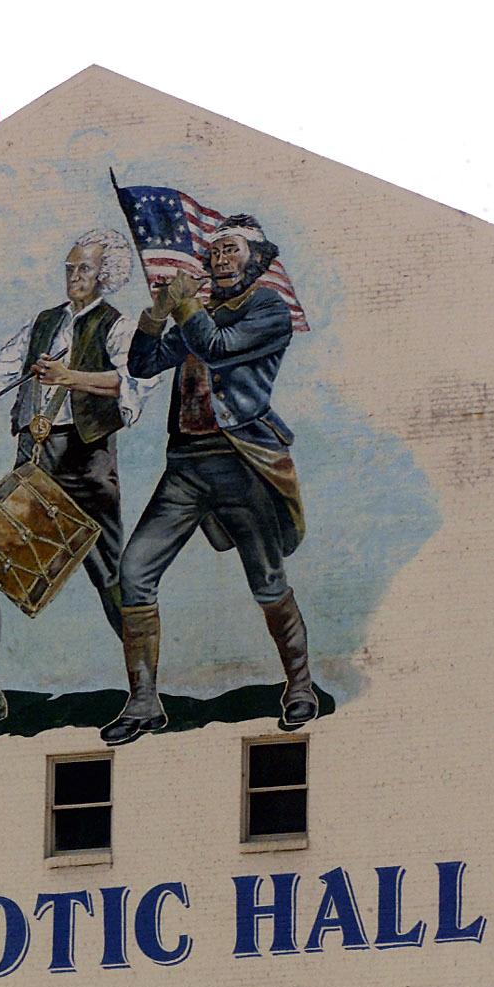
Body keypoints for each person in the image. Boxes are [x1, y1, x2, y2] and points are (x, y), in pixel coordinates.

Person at [0, 229, 142, 750]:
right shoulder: (43, 324)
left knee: (110, 576)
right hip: (35, 462)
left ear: (106, 275)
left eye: (84, 269)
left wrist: (70, 376)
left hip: (86, 465)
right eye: (70, 268)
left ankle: (144, 694)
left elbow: (133, 381)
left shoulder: (118, 326)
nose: (74, 277)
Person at [101, 214, 319, 746]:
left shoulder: (268, 309)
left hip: (242, 461)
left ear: (257, 260)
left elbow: (217, 346)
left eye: (231, 251)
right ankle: (144, 701)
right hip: (186, 466)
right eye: (214, 250)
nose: (219, 259)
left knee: (268, 582)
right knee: (134, 572)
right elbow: (145, 362)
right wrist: (156, 312)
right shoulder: (205, 311)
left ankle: (301, 686)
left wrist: (185, 304)